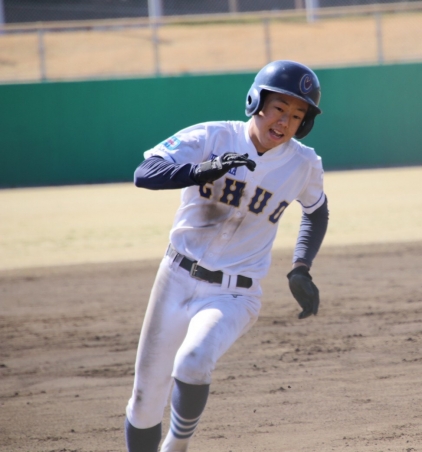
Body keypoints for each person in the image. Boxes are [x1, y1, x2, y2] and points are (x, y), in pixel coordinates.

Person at [124, 60, 329, 452]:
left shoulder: (303, 164)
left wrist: (301, 266)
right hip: (175, 278)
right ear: (256, 102)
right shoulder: (213, 137)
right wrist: (203, 170)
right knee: (144, 402)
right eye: (279, 108)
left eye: (296, 115)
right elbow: (145, 172)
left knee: (194, 359)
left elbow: (316, 211)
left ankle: (176, 445)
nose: (284, 122)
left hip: (235, 293)